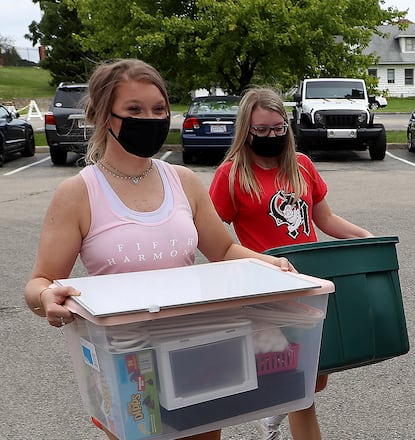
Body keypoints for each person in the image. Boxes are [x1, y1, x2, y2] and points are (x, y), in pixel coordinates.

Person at [23, 59, 295, 440]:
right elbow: (39, 282)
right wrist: (47, 298)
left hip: (199, 348)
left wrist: (271, 264)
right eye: (134, 110)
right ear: (104, 116)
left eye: (158, 109)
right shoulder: (79, 193)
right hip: (127, 363)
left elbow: (224, 250)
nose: (149, 119)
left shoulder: (184, 181)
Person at [208, 86, 372, 440]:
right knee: (300, 386)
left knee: (317, 375)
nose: (272, 136)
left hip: (308, 285)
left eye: (278, 129)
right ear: (246, 132)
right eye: (262, 131)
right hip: (266, 290)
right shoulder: (231, 174)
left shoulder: (302, 166)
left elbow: (324, 219)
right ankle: (281, 406)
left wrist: (365, 237)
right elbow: (211, 237)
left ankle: (273, 407)